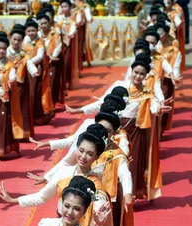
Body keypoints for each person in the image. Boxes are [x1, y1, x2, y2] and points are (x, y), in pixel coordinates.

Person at [67, 56, 168, 200]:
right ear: (131, 71)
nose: (138, 76)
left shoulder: (146, 94)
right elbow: (101, 104)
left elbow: (154, 106)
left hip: (134, 130)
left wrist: (159, 109)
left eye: (142, 74)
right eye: (136, 72)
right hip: (110, 130)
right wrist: (79, 111)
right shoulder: (119, 86)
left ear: (146, 76)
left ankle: (127, 194)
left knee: (129, 164)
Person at [0, 31, 20, 158]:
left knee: (2, 123)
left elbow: (12, 78)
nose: (1, 51)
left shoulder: (9, 64)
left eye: (3, 49)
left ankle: (2, 149)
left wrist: (11, 81)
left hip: (3, 97)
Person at [23, 17, 54, 126]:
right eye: (29, 31)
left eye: (33, 31)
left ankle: (38, 117)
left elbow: (40, 56)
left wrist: (29, 62)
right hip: (25, 69)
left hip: (37, 69)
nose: (31, 33)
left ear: (37, 31)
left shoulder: (40, 42)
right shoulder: (25, 40)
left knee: (36, 92)